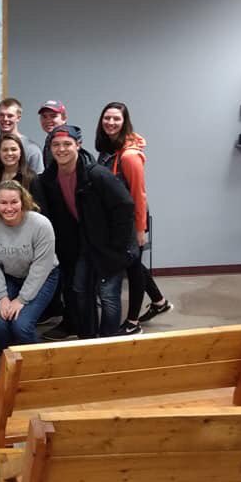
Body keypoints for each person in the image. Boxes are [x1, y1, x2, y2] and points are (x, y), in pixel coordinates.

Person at [39, 125, 137, 339]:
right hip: (85, 245)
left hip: (110, 246)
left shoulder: (97, 175)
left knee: (108, 296)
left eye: (67, 144)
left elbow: (125, 206)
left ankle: (108, 342)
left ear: (78, 145)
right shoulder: (50, 178)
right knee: (80, 290)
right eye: (56, 145)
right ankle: (88, 339)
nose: (61, 149)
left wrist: (118, 248)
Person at [94, 102, 173, 334]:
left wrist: (140, 230)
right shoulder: (107, 149)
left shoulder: (129, 156)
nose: (110, 123)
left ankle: (132, 323)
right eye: (106, 118)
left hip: (130, 221)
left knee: (133, 267)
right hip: (114, 220)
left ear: (125, 121)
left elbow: (139, 194)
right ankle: (159, 302)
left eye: (116, 119)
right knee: (133, 263)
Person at [0, 181, 60, 349]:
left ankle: (38, 362)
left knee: (21, 325)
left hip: (43, 276)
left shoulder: (41, 225)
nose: (9, 208)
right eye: (3, 202)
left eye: (14, 202)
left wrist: (21, 300)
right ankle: (10, 359)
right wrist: (2, 297)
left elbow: (41, 267)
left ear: (23, 201)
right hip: (9, 276)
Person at [0, 98, 44, 174]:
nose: (5, 119)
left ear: (18, 118)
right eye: (1, 115)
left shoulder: (32, 149)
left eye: (10, 116)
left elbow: (38, 182)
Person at [38, 99, 67, 169]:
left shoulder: (66, 139)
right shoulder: (50, 139)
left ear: (64, 118)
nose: (48, 120)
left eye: (53, 116)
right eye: (44, 116)